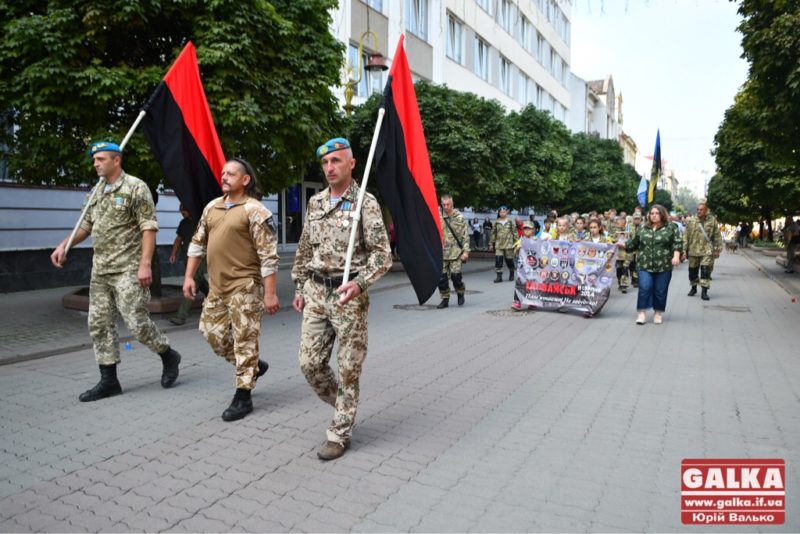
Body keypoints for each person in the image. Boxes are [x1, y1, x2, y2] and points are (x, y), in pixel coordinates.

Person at [50, 141, 181, 401]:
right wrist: (65, 245)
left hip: (128, 269)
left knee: (136, 323)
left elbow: (148, 227)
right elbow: (85, 226)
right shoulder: (96, 191)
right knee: (99, 324)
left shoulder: (135, 187)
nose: (95, 164)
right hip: (101, 271)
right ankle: (109, 381)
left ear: (116, 160)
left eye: (101, 159)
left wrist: (145, 264)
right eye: (94, 160)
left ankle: (168, 355)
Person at [291, 138, 391, 461]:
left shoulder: (365, 203)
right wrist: (299, 286)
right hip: (316, 293)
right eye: (325, 163)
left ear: (352, 163)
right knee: (310, 365)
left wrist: (360, 284)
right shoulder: (316, 202)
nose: (330, 167)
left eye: (336, 161)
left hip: (348, 297)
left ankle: (340, 431)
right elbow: (304, 248)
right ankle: (345, 406)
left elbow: (382, 255)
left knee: (348, 368)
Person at [183, 158, 279, 421]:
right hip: (217, 287)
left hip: (245, 287)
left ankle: (243, 395)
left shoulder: (255, 210)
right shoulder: (212, 207)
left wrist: (270, 293)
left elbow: (268, 256)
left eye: (231, 174)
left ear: (245, 180)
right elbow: (197, 244)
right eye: (223, 173)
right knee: (211, 333)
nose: (224, 177)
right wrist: (189, 277)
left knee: (245, 340)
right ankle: (252, 365)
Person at [621, 204, 682, 325]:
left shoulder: (671, 227)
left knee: (660, 290)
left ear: (662, 214)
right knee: (644, 287)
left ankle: (658, 313)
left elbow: (677, 243)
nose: (654, 216)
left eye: (657, 213)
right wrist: (620, 245)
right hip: (644, 264)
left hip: (663, 265)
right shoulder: (643, 228)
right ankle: (642, 313)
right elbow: (633, 243)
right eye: (652, 213)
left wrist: (676, 256)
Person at [169, 204, 208, 325]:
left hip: (201, 258)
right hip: (188, 258)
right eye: (181, 211)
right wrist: (173, 253)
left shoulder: (202, 221)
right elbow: (178, 239)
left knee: (193, 282)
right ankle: (221, 304)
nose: (182, 213)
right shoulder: (183, 223)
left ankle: (181, 316)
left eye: (184, 211)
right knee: (201, 283)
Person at [682, 203, 722, 300]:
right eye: (698, 209)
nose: (699, 211)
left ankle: (704, 292)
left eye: (701, 209)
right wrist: (684, 250)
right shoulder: (691, 221)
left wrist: (717, 249)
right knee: (692, 271)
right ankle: (693, 287)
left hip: (707, 250)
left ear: (706, 210)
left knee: (705, 271)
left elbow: (717, 235)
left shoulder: (712, 221)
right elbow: (685, 236)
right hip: (693, 250)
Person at [437, 195, 470, 309]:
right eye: (443, 204)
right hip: (442, 253)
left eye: (448, 204)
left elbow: (465, 236)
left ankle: (460, 292)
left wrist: (466, 252)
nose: (445, 207)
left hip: (456, 253)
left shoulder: (459, 217)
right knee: (441, 279)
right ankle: (445, 299)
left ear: (452, 204)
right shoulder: (439, 217)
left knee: (456, 277)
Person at [511, 221, 536, 311]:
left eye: (529, 229)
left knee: (533, 284)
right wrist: (517, 248)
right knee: (520, 283)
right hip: (522, 267)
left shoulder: (536, 240)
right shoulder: (521, 240)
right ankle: (517, 301)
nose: (527, 230)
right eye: (525, 229)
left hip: (533, 267)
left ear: (533, 230)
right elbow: (514, 251)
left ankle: (532, 301)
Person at [489, 206, 516, 282]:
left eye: (504, 212)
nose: (502, 213)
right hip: (499, 245)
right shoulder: (496, 222)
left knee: (509, 260)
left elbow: (515, 233)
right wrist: (491, 243)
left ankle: (511, 272)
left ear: (507, 212)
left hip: (509, 244)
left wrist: (517, 243)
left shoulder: (511, 221)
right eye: (500, 212)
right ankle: (499, 277)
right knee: (498, 260)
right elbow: (493, 233)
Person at [612, 216, 632, 294]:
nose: (619, 223)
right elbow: (610, 240)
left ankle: (624, 285)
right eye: (618, 222)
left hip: (627, 254)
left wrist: (626, 244)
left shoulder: (629, 231)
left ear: (624, 223)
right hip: (617, 255)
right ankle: (620, 282)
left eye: (621, 222)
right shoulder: (614, 231)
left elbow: (633, 241)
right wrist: (616, 241)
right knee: (619, 270)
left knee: (625, 269)